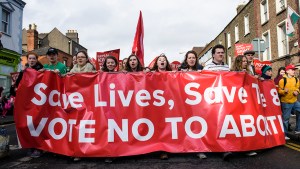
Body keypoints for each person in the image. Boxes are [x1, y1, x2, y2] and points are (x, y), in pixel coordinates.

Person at [278, 64, 300, 140]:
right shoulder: (282, 80)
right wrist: (284, 91)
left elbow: (297, 88)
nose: (294, 71)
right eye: (292, 70)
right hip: (286, 102)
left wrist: (297, 91)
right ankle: (284, 134)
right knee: (286, 119)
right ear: (287, 71)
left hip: (294, 101)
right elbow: (279, 91)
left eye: (294, 70)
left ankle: (298, 129)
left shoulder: (296, 79)